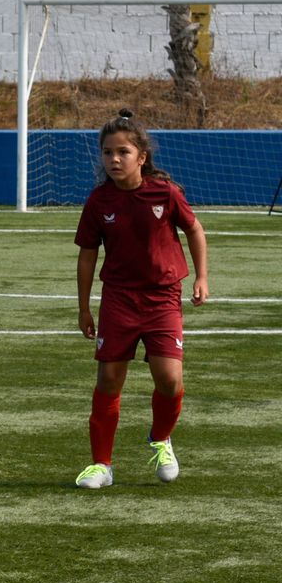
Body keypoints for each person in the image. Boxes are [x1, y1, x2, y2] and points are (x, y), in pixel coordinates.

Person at [74, 111, 209, 489]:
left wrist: (201, 276)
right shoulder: (99, 201)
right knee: (109, 380)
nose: (114, 160)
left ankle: (161, 437)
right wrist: (84, 307)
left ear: (141, 157)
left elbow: (195, 230)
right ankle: (102, 465)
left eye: (122, 152)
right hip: (118, 299)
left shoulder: (165, 193)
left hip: (163, 297)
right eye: (107, 153)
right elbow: (87, 254)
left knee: (169, 379)